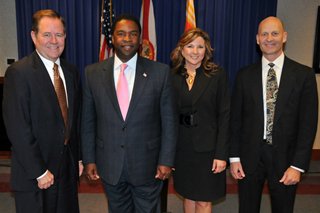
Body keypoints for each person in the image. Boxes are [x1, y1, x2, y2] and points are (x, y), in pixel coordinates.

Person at [81, 14, 177, 213]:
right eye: (121, 34)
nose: (127, 39)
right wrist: (89, 158)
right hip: (109, 163)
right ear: (113, 38)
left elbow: (169, 121)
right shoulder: (92, 73)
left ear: (140, 39)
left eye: (133, 34)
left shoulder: (160, 72)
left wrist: (166, 160)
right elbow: (88, 121)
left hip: (148, 164)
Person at [229, 16, 318, 213]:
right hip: (249, 159)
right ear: (257, 39)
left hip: (287, 161)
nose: (269, 38)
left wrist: (298, 166)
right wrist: (234, 158)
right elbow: (235, 120)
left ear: (284, 37)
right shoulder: (244, 75)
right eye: (264, 34)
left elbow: (308, 124)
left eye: (275, 33)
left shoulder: (304, 75)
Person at [2, 9, 82, 213]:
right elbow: (18, 127)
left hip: (67, 170)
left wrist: (79, 158)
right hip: (35, 175)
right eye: (47, 34)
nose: (54, 40)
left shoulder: (71, 72)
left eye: (59, 34)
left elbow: (75, 121)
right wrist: (39, 171)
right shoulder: (19, 73)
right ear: (33, 36)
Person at [171, 28, 230, 213]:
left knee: (204, 201)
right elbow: (168, 116)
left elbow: (225, 116)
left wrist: (221, 154)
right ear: (181, 49)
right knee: (187, 195)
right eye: (190, 46)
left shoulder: (217, 75)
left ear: (207, 50)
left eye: (200, 47)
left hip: (208, 150)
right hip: (182, 149)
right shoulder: (172, 76)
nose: (195, 51)